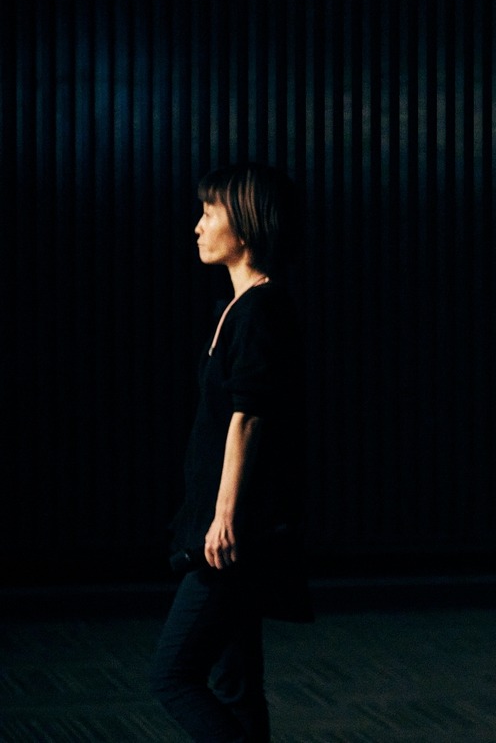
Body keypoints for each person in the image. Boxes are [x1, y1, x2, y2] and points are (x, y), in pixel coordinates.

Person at [151, 163, 312, 741]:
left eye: (208, 213)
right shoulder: (241, 307)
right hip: (229, 527)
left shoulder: (262, 310)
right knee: (234, 683)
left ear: (244, 226)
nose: (197, 226)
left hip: (233, 534)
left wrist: (223, 519)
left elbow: (249, 418)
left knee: (173, 677)